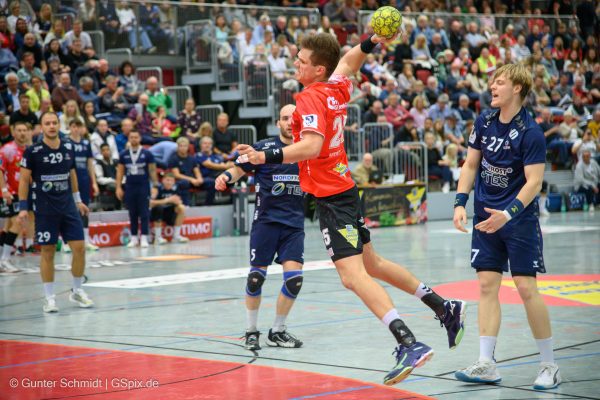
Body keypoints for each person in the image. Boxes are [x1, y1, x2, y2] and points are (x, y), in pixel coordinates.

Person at [237, 32, 466, 385]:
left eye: (302, 60)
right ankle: (443, 306)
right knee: (373, 265)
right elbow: (348, 62)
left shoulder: (310, 97)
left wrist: (264, 156)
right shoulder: (335, 87)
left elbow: (311, 147)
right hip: (344, 189)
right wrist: (372, 40)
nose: (296, 63)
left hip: (332, 198)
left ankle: (409, 343)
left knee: (353, 276)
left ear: (318, 69)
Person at [452, 63, 561, 390]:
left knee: (526, 288)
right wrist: (460, 202)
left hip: (518, 220)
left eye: (499, 82)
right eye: (492, 82)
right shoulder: (484, 121)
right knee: (487, 285)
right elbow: (471, 164)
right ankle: (486, 363)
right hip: (486, 217)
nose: (492, 87)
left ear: (517, 88)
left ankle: (549, 365)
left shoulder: (531, 132)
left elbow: (534, 182)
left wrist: (508, 214)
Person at [216, 104, 304, 350]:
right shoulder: (263, 148)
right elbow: (237, 170)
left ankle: (277, 331)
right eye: (285, 118)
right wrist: (225, 177)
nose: (290, 122)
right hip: (266, 223)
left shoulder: (306, 149)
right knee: (256, 278)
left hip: (293, 225)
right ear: (278, 123)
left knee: (294, 280)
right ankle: (251, 331)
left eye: (294, 118)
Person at [17, 112, 93, 313]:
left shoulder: (68, 147)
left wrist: (78, 200)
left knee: (80, 248)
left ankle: (77, 290)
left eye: (54, 123)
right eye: (47, 123)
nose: (51, 126)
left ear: (59, 125)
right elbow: (24, 180)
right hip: (45, 209)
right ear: (41, 127)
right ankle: (49, 298)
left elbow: (72, 173)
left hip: (68, 207)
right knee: (48, 251)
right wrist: (23, 208)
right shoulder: (32, 152)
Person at [115, 130, 158, 248]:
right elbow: (120, 171)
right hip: (130, 186)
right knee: (132, 212)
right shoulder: (123, 154)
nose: (134, 139)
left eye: (136, 137)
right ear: (129, 139)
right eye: (131, 137)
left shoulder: (147, 153)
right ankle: (134, 237)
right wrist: (118, 187)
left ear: (140, 138)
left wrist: (155, 185)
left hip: (143, 186)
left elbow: (152, 170)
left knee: (144, 212)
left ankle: (144, 236)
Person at [0, 122, 31, 273]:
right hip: (10, 193)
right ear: (13, 133)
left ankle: (2, 260)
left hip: (21, 193)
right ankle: (5, 260)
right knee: (18, 222)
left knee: (8, 226)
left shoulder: (28, 150)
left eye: (25, 130)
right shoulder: (7, 150)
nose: (22, 133)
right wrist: (4, 190)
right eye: (19, 130)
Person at [64, 119, 99, 252]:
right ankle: (66, 242)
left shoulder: (86, 143)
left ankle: (86, 240)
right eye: (73, 126)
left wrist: (94, 182)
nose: (76, 129)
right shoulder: (66, 143)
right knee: (68, 209)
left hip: (84, 179)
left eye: (78, 126)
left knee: (85, 209)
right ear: (69, 128)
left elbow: (90, 164)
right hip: (69, 180)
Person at [150, 172, 189, 244]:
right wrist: (167, 200)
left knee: (181, 207)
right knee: (158, 208)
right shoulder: (157, 188)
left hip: (169, 213)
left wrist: (178, 202)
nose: (169, 182)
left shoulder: (176, 188)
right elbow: (150, 203)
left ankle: (176, 236)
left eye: (171, 181)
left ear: (174, 182)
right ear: (163, 180)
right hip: (156, 213)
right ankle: (157, 238)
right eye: (167, 180)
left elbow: (179, 201)